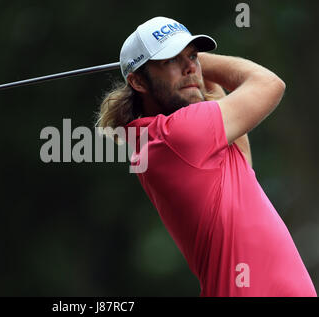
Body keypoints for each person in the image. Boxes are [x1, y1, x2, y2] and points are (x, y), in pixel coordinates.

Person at [96, 16, 317, 297]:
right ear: (138, 81)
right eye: (170, 60)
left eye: (192, 56)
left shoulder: (163, 140)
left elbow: (242, 151)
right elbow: (269, 83)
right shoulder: (180, 134)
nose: (189, 66)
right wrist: (202, 63)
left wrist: (189, 70)